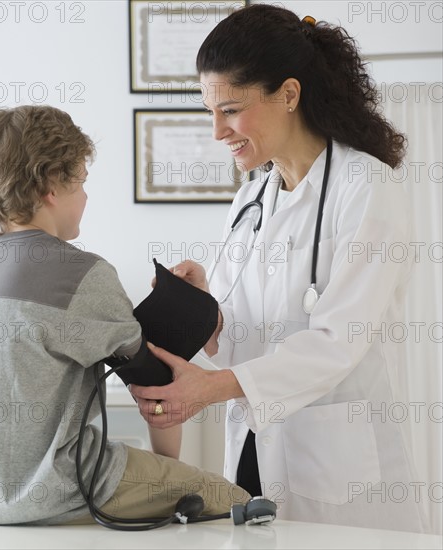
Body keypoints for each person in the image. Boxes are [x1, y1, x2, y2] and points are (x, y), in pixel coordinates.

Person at [130, 4, 430, 533]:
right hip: (253, 449)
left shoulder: (367, 187)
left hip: (332, 467)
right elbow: (241, 328)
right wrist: (206, 307)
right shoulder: (250, 200)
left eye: (231, 109)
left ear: (289, 94)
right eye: (210, 112)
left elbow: (338, 338)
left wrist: (213, 387)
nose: (217, 131)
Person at [0, 105, 249, 525]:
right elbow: (157, 385)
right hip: (58, 487)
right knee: (232, 496)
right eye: (81, 183)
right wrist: (172, 472)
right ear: (51, 185)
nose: (85, 197)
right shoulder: (79, 273)